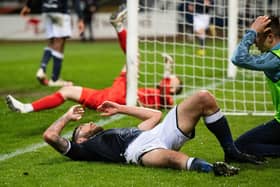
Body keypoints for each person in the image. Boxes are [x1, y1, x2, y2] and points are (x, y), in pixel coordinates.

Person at [42, 90, 264, 177]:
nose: (89, 122)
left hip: (158, 133)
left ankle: (230, 151)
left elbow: (155, 116)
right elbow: (50, 136)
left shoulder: (117, 132)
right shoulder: (84, 149)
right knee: (170, 158)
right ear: (80, 138)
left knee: (203, 98)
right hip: (139, 151)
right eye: (84, 126)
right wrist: (67, 117)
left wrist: (120, 108)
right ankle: (213, 169)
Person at [6, 6, 182, 113]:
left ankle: (118, 25)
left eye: (174, 81)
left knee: (134, 57)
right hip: (113, 93)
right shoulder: (158, 90)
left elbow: (166, 90)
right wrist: (168, 69)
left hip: (120, 97)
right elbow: (163, 85)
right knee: (67, 91)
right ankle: (26, 107)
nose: (171, 79)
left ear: (174, 89)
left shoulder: (167, 99)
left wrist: (168, 70)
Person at [231, 15, 280, 157]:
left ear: (270, 37)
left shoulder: (275, 58)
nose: (254, 43)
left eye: (257, 38)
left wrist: (251, 32)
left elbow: (238, 58)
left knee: (240, 146)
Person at [20, 0, 85, 87]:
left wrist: (28, 6)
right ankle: (55, 79)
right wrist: (80, 18)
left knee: (52, 41)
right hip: (60, 11)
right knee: (60, 42)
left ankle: (42, 69)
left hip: (46, 11)